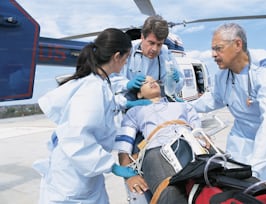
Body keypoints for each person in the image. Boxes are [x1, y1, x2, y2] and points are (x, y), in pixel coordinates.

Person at [190, 23, 266, 188]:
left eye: (218, 48)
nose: (213, 54)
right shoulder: (223, 75)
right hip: (242, 139)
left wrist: (255, 168)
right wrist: (186, 107)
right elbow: (214, 99)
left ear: (238, 44)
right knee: (239, 187)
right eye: (213, 49)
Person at [32, 28, 138, 204]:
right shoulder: (92, 88)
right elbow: (77, 137)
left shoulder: (98, 83)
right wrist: (111, 166)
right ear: (117, 56)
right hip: (73, 181)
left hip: (83, 175)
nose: (125, 64)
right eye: (126, 58)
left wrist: (125, 103)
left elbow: (102, 108)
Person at [114, 76, 206, 204]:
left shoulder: (183, 106)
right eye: (145, 82)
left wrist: (202, 141)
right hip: (157, 151)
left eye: (154, 81)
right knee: (170, 192)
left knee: (217, 179)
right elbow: (124, 146)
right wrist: (129, 176)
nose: (152, 82)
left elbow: (198, 131)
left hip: (190, 144)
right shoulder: (135, 111)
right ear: (139, 94)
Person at [110, 15, 185, 110]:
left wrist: (176, 82)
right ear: (142, 37)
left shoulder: (165, 53)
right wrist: (127, 85)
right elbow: (111, 83)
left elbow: (176, 87)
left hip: (156, 108)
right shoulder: (127, 50)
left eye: (159, 44)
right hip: (127, 109)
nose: (155, 49)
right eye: (151, 43)